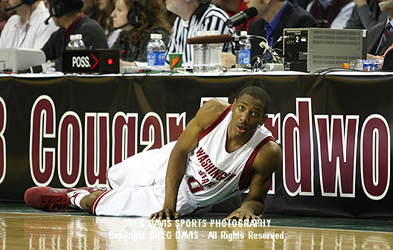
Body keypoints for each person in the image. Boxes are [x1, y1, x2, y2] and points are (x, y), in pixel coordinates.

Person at [24, 86, 282, 220]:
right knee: (115, 176)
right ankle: (99, 188)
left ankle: (72, 197)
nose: (245, 117)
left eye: (254, 114)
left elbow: (256, 199)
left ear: (263, 120)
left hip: (188, 199)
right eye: (242, 109)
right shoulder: (215, 110)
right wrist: (166, 205)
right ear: (234, 106)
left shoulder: (266, 152)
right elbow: (181, 151)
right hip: (170, 160)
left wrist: (248, 209)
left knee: (101, 207)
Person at [222, 0, 317, 66]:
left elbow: (293, 68)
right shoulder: (256, 26)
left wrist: (240, 62)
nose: (245, 0)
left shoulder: (301, 22)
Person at [165, 0, 235, 68]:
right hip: (190, 79)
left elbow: (207, 64)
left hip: (217, 78)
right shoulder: (179, 21)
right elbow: (169, 63)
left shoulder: (213, 17)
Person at [41, 0, 108, 70]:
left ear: (57, 9)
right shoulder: (59, 34)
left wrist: (48, 65)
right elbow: (42, 57)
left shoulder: (91, 30)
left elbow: (73, 63)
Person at [111, 0, 171, 69]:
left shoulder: (155, 36)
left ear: (134, 14)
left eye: (119, 10)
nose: (113, 14)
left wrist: (123, 65)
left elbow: (149, 69)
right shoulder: (123, 36)